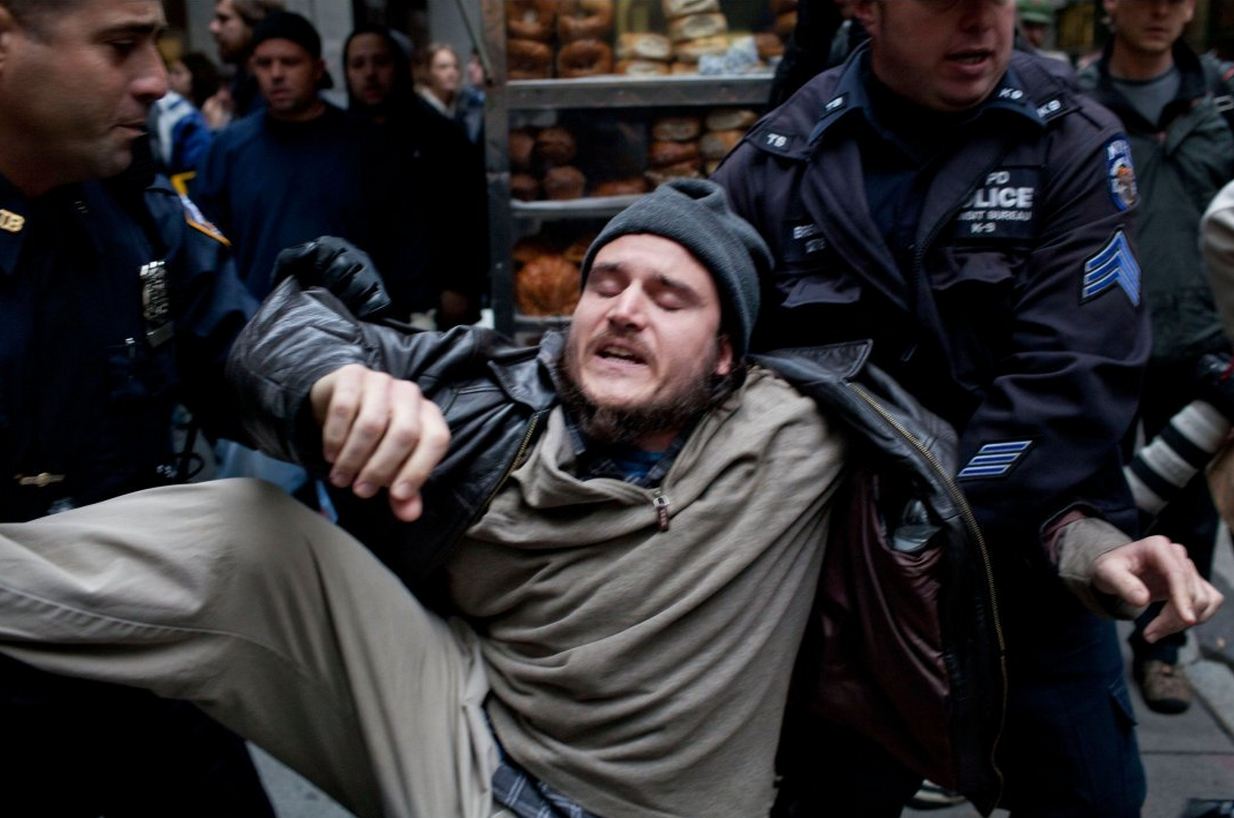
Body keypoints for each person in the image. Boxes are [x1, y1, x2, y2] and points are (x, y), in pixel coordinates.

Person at [0, 180, 1218, 818]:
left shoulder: (804, 434)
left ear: (729, 355)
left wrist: (1099, 551)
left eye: (668, 296)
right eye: (605, 283)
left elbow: (986, 497)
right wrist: (331, 383)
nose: (624, 308)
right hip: (458, 738)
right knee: (250, 530)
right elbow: (289, 331)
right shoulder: (492, 392)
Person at [712, 0, 1190, 814]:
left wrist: (935, 526)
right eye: (944, 3)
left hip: (1026, 577)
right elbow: (711, 353)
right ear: (866, 7)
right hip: (848, 602)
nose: (979, 24)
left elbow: (1074, 377)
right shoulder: (783, 155)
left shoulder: (1069, 140)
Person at [0, 0, 273, 814]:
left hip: (150, 671)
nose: (156, 79)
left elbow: (239, 347)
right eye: (122, 46)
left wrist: (338, 377)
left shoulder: (128, 207)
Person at [1077, 0, 1234, 715]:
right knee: (1091, 498)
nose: (1161, 10)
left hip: (1199, 345)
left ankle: (1163, 650)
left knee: (1189, 511)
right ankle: (1082, 639)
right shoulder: (1077, 105)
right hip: (1102, 344)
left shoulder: (1220, 104)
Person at [193, 11, 363, 299]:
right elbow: (205, 248)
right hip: (259, 314)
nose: (276, 74)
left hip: (350, 314)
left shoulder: (362, 145)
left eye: (290, 62)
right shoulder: (229, 149)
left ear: (318, 68)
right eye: (264, 63)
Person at [343, 24, 488, 327]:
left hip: (429, 303)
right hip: (362, 305)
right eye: (358, 64)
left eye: (380, 62)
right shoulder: (338, 139)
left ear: (400, 67)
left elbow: (470, 215)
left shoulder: (440, 135)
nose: (370, 73)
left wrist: (460, 286)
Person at [206, 0, 284, 128]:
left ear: (255, 25)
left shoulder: (278, 90)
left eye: (224, 19)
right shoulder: (239, 82)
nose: (213, 28)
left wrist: (220, 131)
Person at [416, 41, 463, 120]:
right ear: (428, 72)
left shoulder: (459, 107)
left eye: (455, 67)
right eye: (443, 67)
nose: (451, 73)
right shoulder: (419, 108)